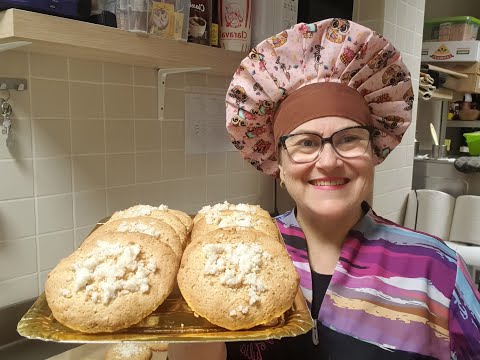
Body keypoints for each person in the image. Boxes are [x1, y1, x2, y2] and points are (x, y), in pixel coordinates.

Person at [169, 18, 480, 359]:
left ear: (374, 151)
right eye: (306, 143)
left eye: (349, 139)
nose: (329, 161)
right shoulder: (232, 260)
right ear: (278, 164)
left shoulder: (436, 270)